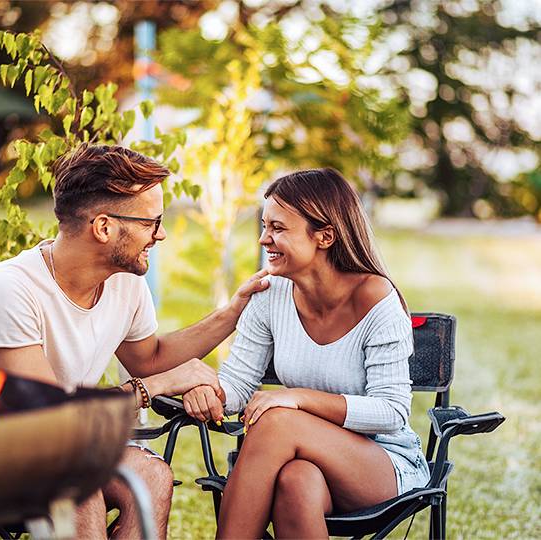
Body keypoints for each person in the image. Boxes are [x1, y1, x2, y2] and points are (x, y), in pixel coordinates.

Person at [0, 143, 269, 540]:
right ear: (104, 227)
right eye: (152, 222)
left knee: (152, 475)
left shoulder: (123, 283)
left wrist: (232, 311)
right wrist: (153, 388)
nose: (162, 233)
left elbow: (150, 358)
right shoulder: (9, 290)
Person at [182, 168, 431, 539]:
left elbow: (392, 412)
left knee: (279, 418)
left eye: (278, 228)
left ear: (325, 236)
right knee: (296, 483)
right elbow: (236, 383)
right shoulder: (270, 294)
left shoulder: (376, 298)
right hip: (303, 461)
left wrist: (298, 399)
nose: (265, 239)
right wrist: (209, 390)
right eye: (264, 226)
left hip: (384, 463)